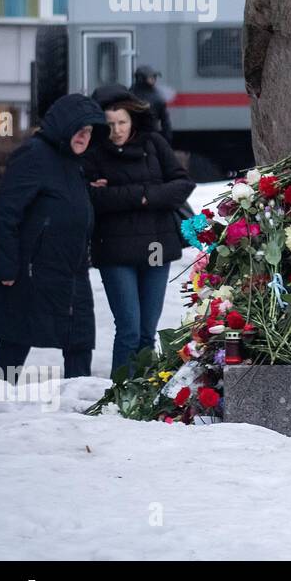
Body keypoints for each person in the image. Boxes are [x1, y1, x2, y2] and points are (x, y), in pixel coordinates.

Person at [0, 94, 109, 384]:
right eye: (79, 130)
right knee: (16, 335)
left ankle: (80, 402)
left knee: (79, 338)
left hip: (72, 269)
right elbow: (4, 213)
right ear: (64, 126)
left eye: (88, 133)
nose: (83, 137)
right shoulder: (34, 155)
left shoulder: (73, 163)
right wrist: (6, 266)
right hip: (32, 269)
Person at [83, 84, 195, 374]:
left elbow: (183, 184)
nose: (117, 129)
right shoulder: (94, 153)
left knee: (147, 332)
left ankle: (144, 396)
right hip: (115, 252)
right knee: (129, 330)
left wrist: (140, 195)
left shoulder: (153, 143)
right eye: (110, 124)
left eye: (122, 122)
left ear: (132, 120)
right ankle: (120, 395)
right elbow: (92, 198)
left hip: (156, 248)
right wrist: (145, 194)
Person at [129, 64, 172, 143]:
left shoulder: (157, 97)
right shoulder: (131, 95)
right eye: (151, 77)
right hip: (136, 135)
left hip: (148, 135)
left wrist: (167, 138)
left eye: (154, 77)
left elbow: (165, 121)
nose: (154, 79)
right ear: (141, 78)